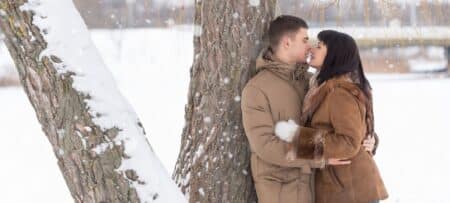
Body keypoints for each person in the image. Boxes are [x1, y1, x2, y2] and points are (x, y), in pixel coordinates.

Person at [241, 15, 376, 203]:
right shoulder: (257, 89)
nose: (310, 46)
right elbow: (265, 146)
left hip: (322, 188)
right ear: (287, 43)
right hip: (283, 189)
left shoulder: (314, 84)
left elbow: (344, 128)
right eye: (305, 40)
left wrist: (368, 139)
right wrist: (320, 157)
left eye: (315, 43)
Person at [294, 30, 388, 203]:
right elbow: (357, 132)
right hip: (343, 189)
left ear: (333, 56)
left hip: (350, 191)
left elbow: (349, 142)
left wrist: (301, 142)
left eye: (319, 46)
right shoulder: (322, 86)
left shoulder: (339, 93)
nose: (312, 49)